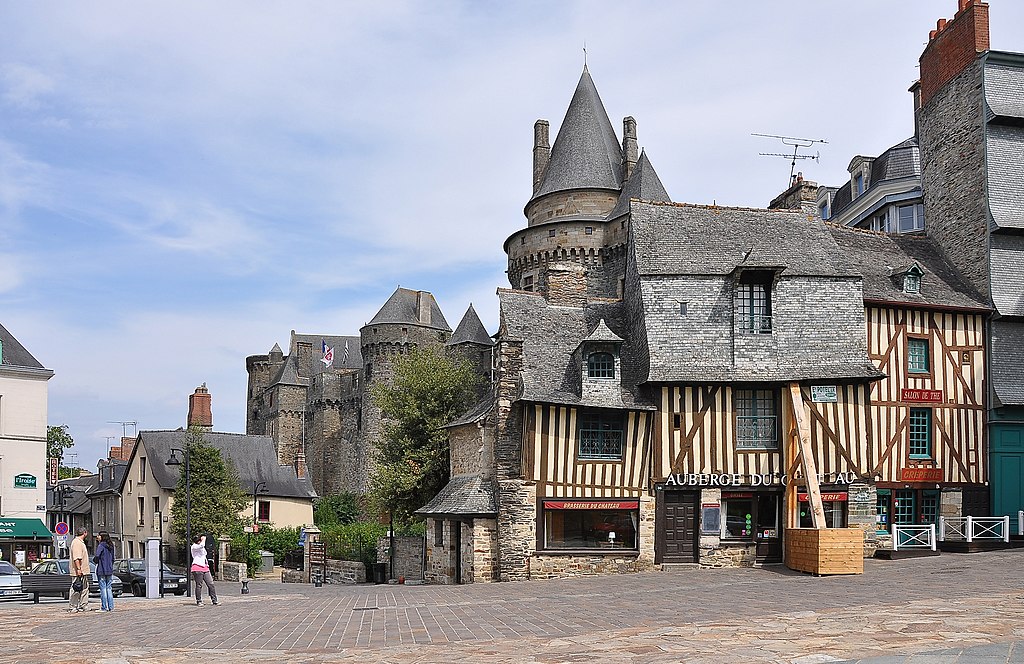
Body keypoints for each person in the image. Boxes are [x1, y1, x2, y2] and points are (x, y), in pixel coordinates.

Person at [190, 534, 218, 606]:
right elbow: (201, 546)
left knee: (211, 583)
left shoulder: (201, 547)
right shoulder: (194, 546)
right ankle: (199, 601)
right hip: (197, 567)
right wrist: (203, 540)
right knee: (199, 585)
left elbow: (204, 554)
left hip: (205, 567)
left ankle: (214, 600)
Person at [68, 527, 91, 613]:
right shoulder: (77, 543)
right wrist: (78, 569)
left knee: (84, 588)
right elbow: (77, 558)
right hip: (78, 570)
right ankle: (73, 606)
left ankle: (83, 605)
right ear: (85, 533)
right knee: (76, 588)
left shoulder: (80, 542)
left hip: (83, 570)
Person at [94, 531, 116, 612]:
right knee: (109, 588)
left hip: (101, 569)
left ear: (102, 537)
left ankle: (104, 607)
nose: (97, 537)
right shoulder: (111, 546)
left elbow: (97, 556)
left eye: (98, 535)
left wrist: (95, 561)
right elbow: (113, 558)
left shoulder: (101, 546)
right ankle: (111, 607)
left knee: (103, 589)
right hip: (109, 569)